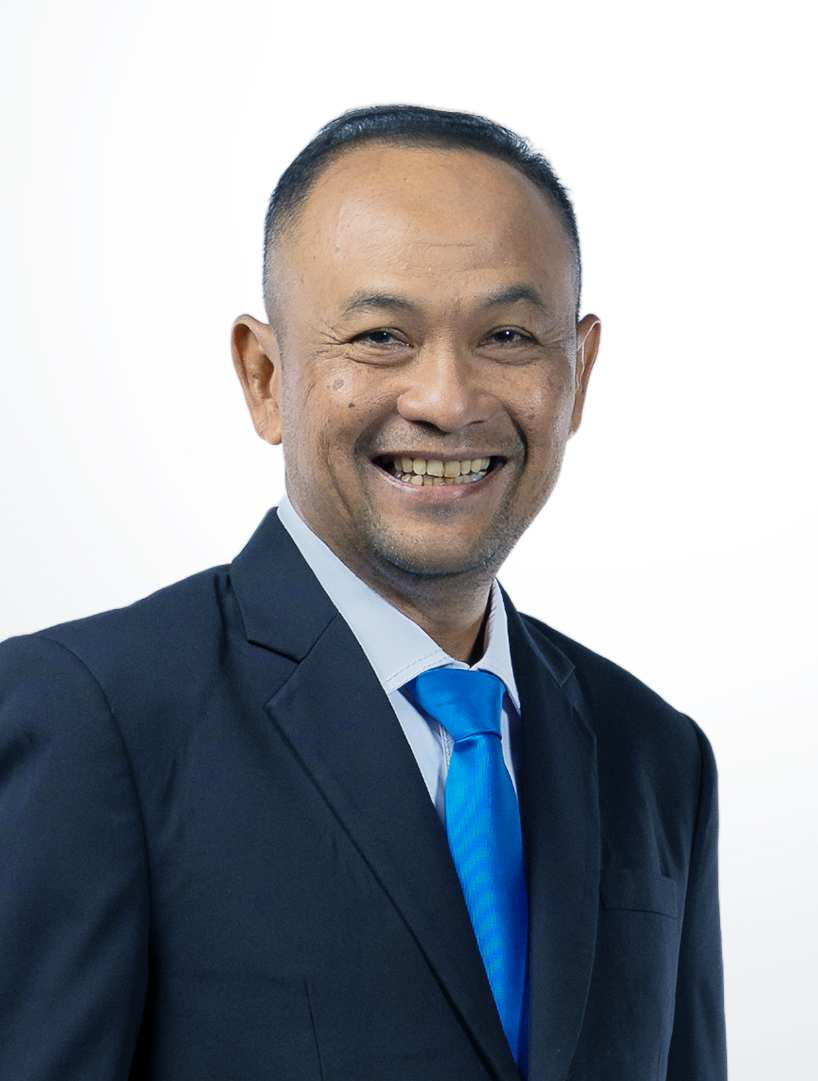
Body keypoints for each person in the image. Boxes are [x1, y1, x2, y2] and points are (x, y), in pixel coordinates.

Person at [0, 105, 727, 1080]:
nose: (446, 399)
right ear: (265, 376)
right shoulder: (94, 720)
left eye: (508, 334)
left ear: (578, 371)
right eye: (382, 335)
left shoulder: (655, 755)